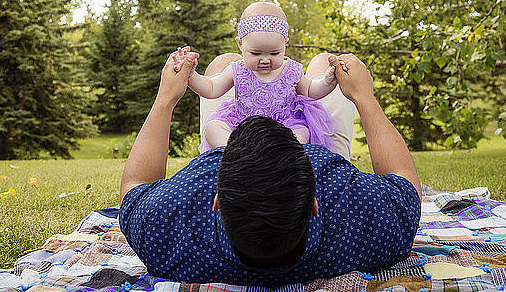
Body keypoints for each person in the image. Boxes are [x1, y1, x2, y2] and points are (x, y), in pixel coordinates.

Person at [119, 51, 422, 286]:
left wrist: (166, 98)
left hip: (226, 146)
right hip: (308, 142)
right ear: (315, 203)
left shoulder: (161, 230)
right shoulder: (373, 224)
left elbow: (135, 184)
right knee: (318, 62)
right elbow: (405, 183)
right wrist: (363, 96)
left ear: (216, 201)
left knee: (225, 63)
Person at [172, 2, 341, 153]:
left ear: (285, 44)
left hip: (284, 127)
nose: (265, 60)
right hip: (242, 127)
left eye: (275, 53)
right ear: (240, 44)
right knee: (212, 128)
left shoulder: (291, 70)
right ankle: (237, 153)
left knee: (302, 134)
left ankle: (282, 157)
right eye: (255, 53)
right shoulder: (237, 70)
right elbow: (210, 88)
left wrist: (327, 82)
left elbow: (311, 90)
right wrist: (190, 74)